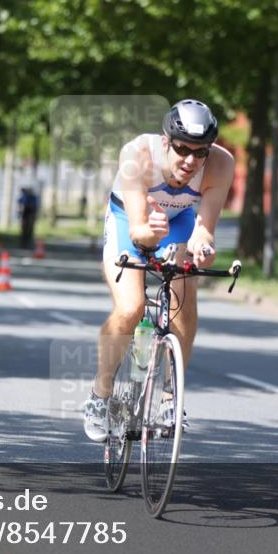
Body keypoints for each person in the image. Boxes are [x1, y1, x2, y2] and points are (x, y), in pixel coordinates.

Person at [82, 99, 235, 442]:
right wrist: (149, 233)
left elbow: (204, 230)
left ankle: (170, 397)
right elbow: (138, 231)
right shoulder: (138, 154)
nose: (191, 161)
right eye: (182, 149)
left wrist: (202, 249)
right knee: (131, 307)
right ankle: (100, 394)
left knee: (185, 292)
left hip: (178, 220)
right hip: (130, 218)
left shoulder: (221, 164)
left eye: (200, 152)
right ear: (166, 141)